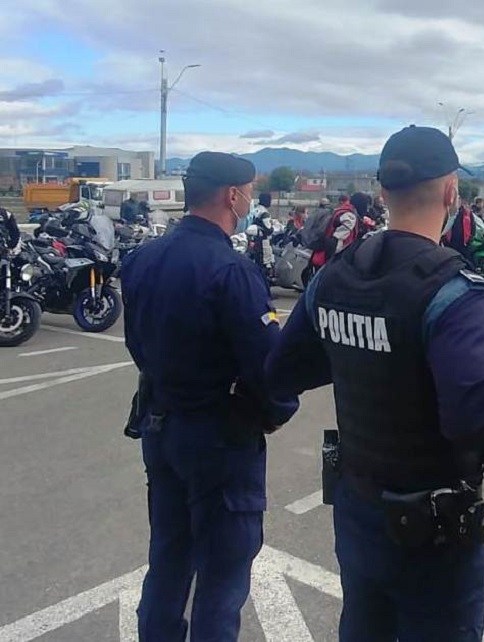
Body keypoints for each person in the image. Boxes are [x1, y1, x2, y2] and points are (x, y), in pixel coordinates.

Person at [264, 125, 484, 641]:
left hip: (359, 507)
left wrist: (361, 356)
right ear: (451, 192)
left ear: (382, 191)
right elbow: (475, 421)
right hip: (433, 525)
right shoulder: (451, 288)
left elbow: (285, 372)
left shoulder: (335, 275)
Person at [120, 152, 299, 640]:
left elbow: (136, 343)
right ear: (231, 195)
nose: (250, 201)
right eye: (249, 192)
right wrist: (275, 410)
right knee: (222, 576)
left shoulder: (142, 259)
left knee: (168, 558)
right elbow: (268, 364)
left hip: (161, 426)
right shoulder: (232, 269)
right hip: (218, 439)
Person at [310, 193, 360, 269]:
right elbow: (340, 236)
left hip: (324, 245)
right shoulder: (349, 213)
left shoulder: (336, 211)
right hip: (335, 248)